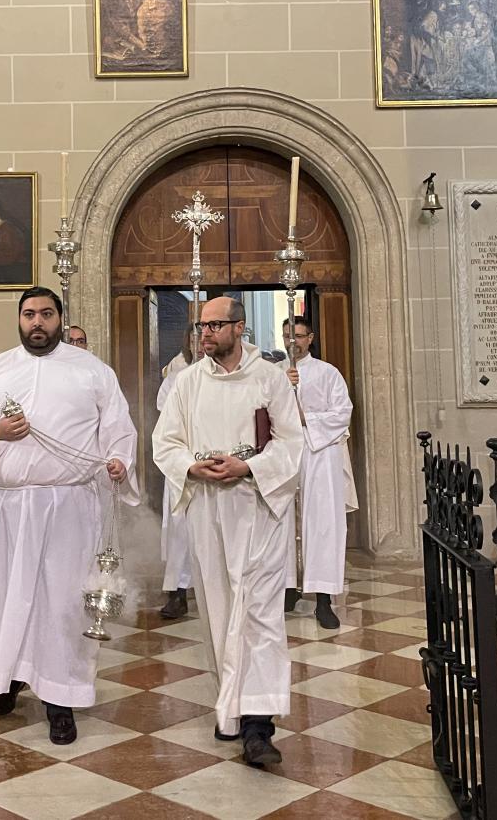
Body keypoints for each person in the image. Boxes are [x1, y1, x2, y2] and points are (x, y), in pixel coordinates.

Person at [0, 287, 137, 747]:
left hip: (67, 508)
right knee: (0, 595)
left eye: (47, 314)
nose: (38, 322)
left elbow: (118, 428)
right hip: (4, 508)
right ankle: (5, 679)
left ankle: (60, 699)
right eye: (30, 314)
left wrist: (118, 461)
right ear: (19, 319)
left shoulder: (92, 372)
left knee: (60, 603)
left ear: (60, 318)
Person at [152, 297, 305, 767]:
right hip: (207, 509)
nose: (205, 333)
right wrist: (193, 467)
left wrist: (249, 466)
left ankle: (260, 725)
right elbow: (165, 441)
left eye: (215, 325)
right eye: (202, 325)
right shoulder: (187, 382)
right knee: (219, 609)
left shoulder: (271, 378)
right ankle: (231, 709)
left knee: (258, 613)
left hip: (257, 510)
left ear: (240, 328)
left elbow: (293, 442)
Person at [279, 317, 357, 630]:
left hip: (319, 455)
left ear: (310, 338)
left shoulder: (328, 373)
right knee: (281, 522)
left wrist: (305, 417)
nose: (292, 342)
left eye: (297, 335)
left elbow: (342, 413)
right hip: (285, 456)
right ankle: (286, 589)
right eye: (287, 335)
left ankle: (323, 598)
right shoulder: (274, 374)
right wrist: (284, 389)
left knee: (322, 524)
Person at [157, 325, 195, 620]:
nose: (200, 339)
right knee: (180, 529)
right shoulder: (178, 371)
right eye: (194, 335)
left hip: (218, 460)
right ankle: (178, 593)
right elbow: (164, 408)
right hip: (184, 459)